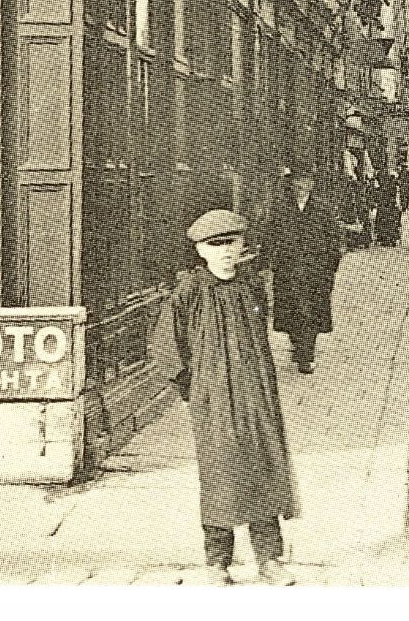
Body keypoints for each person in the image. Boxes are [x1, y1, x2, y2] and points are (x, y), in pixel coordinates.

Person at [150, 208, 298, 587]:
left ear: (242, 244)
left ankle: (269, 559)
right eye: (216, 245)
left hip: (256, 392)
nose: (226, 252)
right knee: (221, 472)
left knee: (264, 466)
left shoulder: (250, 287)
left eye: (232, 243)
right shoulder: (190, 292)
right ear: (200, 250)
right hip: (213, 394)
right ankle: (217, 562)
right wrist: (193, 388)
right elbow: (166, 347)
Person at [265, 167, 341, 373]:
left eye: (306, 181)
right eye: (298, 181)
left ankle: (307, 354)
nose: (301, 186)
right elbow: (270, 238)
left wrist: (329, 268)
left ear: (312, 184)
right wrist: (271, 262)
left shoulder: (323, 210)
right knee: (291, 315)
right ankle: (299, 346)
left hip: (315, 272)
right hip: (288, 271)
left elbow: (335, 241)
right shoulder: (281, 209)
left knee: (310, 314)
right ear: (292, 184)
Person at [372, 169, 403, 246]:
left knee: (388, 222)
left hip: (389, 206)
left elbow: (395, 197)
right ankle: (387, 238)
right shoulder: (391, 187)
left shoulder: (390, 186)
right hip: (388, 206)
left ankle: (387, 238)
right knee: (388, 222)